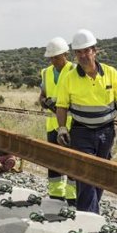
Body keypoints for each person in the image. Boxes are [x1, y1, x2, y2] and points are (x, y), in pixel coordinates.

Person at [55, 29, 117, 214]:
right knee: (86, 174)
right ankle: (90, 218)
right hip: (81, 132)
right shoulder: (69, 78)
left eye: (86, 51)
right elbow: (61, 106)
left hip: (106, 132)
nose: (83, 56)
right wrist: (62, 128)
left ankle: (91, 211)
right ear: (75, 55)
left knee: (102, 174)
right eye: (79, 52)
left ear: (94, 51)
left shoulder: (111, 74)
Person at [39, 37, 77, 206]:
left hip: (70, 125)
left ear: (65, 55)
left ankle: (72, 198)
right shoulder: (46, 72)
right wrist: (44, 101)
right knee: (53, 162)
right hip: (52, 125)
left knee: (71, 162)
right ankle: (56, 197)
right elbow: (42, 95)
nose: (53, 60)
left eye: (56, 57)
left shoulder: (75, 70)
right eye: (51, 58)